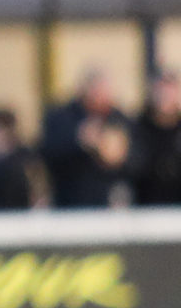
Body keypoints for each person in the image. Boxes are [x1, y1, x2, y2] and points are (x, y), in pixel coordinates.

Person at [40, 67, 132, 209]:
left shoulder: (120, 119)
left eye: (103, 91)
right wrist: (79, 140)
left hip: (110, 205)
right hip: (70, 204)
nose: (99, 97)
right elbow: (47, 153)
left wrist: (117, 153)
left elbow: (138, 161)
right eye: (95, 90)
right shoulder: (62, 118)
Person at [129, 71, 181, 208]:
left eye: (170, 94)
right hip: (145, 210)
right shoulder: (138, 131)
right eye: (162, 93)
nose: (166, 98)